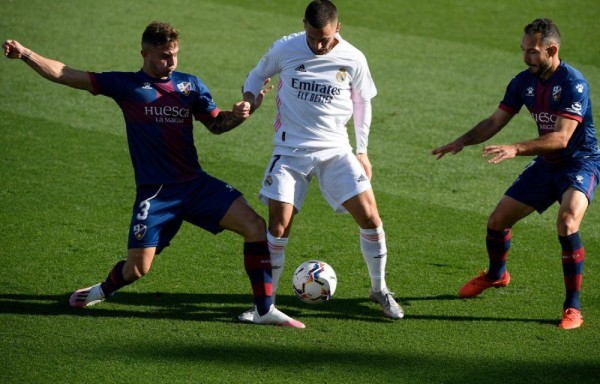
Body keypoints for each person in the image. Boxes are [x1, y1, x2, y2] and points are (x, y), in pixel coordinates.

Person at [3, 21, 305, 328]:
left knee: (254, 226)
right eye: (164, 56)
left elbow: (216, 124)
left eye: (175, 54)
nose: (172, 62)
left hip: (194, 185)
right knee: (137, 270)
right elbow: (67, 74)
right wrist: (26, 54)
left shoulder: (190, 86)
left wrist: (243, 112)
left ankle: (265, 309)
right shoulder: (126, 86)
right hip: (157, 193)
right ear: (145, 54)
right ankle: (100, 290)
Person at [239, 0, 404, 321]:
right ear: (304, 26)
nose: (318, 44)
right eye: (313, 37)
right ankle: (265, 305)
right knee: (278, 226)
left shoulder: (354, 58)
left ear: (338, 29)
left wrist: (362, 150)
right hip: (289, 151)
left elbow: (363, 104)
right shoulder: (285, 48)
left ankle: (379, 288)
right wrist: (248, 101)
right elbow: (256, 76)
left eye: (325, 39)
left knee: (370, 217)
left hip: (335, 150)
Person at [432, 18, 599, 330]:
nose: (526, 57)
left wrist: (516, 148)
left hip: (580, 162)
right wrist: (462, 141)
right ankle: (497, 275)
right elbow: (494, 121)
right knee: (497, 221)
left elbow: (562, 138)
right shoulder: (523, 82)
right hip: (547, 162)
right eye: (524, 50)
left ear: (552, 49)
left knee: (566, 221)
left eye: (533, 52)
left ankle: (573, 308)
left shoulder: (574, 83)